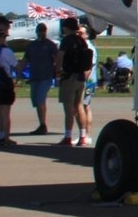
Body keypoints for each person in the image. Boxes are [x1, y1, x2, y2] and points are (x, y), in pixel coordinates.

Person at [57, 18, 95, 147]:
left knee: (68, 108)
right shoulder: (81, 41)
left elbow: (60, 56)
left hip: (69, 76)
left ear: (66, 28)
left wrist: (57, 71)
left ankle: (68, 136)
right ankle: (83, 136)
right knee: (79, 106)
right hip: (80, 76)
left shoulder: (66, 41)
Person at [17, 22, 59, 135]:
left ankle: (43, 125)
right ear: (37, 32)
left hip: (46, 76)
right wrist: (18, 74)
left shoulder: (50, 45)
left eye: (43, 30)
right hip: (34, 77)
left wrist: (58, 72)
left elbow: (57, 59)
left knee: (40, 100)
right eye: (40, 30)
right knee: (35, 101)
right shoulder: (32, 45)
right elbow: (25, 59)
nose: (42, 32)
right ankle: (41, 123)